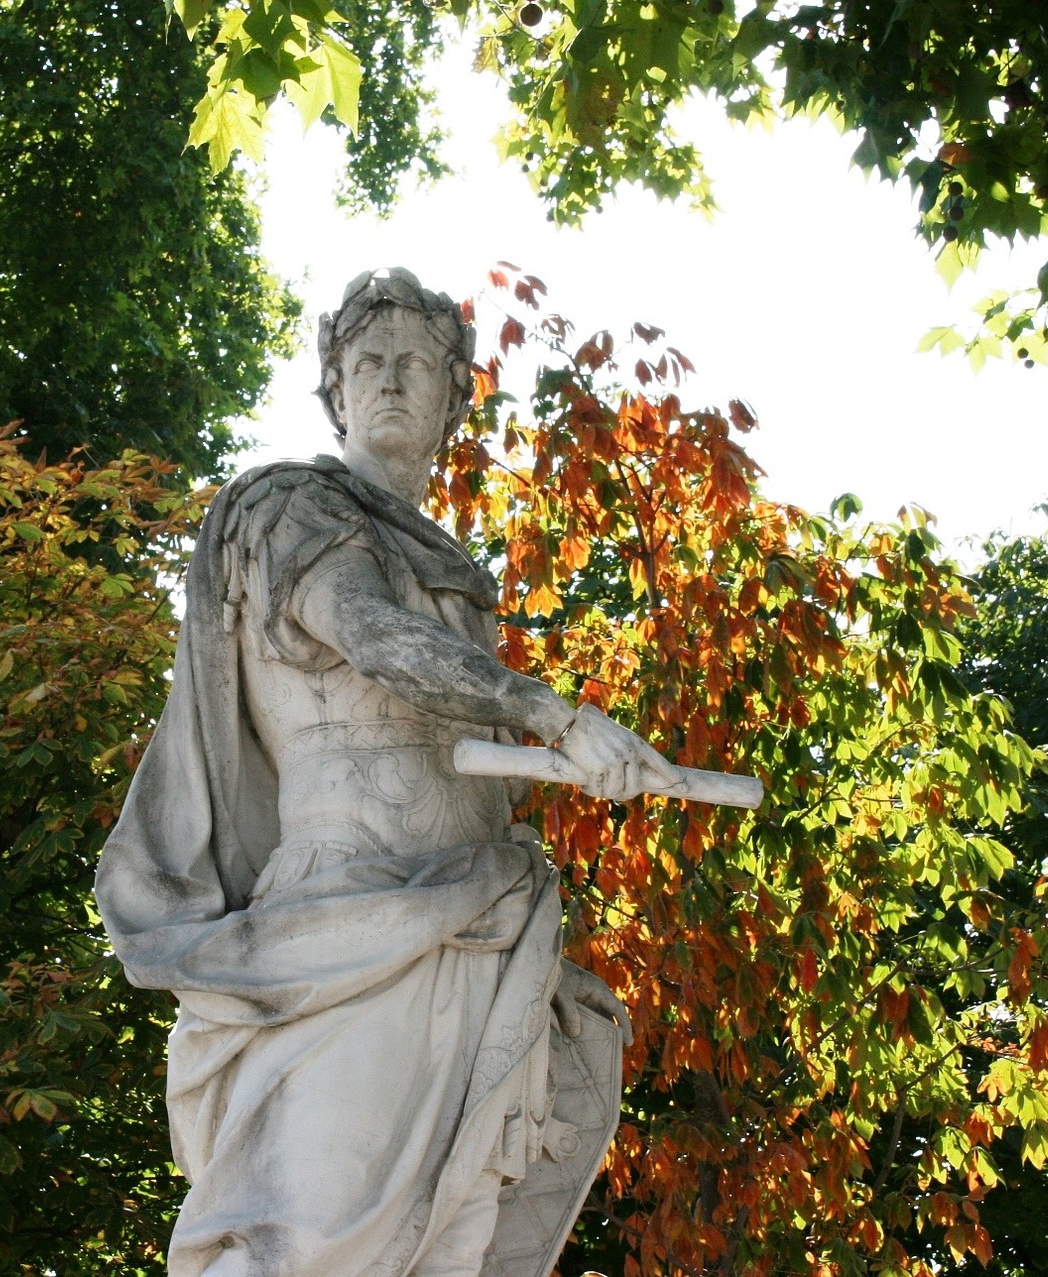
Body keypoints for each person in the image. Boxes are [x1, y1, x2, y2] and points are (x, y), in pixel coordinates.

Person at [95, 268, 681, 1277]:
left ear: (458, 393)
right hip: (348, 918)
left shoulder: (449, 561)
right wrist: (556, 715)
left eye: (417, 362)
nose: (392, 380)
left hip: (472, 909)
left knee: (443, 1241)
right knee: (299, 1235)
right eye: (368, 362)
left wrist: (576, 763)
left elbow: (455, 749)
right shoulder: (290, 505)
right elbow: (368, 633)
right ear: (333, 388)